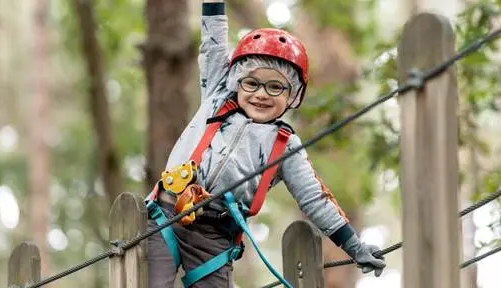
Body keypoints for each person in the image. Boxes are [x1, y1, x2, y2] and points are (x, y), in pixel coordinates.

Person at [145, 0, 386, 287]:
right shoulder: (217, 98)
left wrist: (354, 246)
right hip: (168, 214)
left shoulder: (285, 145)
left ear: (292, 95)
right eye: (252, 83)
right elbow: (213, 43)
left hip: (214, 237)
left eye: (275, 87)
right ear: (237, 82)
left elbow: (315, 199)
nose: (262, 94)